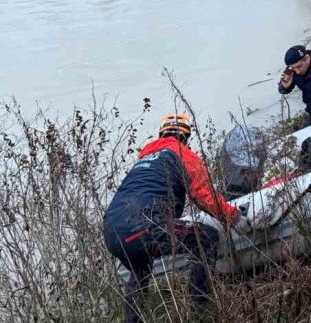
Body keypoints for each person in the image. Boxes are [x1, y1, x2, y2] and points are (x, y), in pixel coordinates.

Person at [103, 112, 250, 323]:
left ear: (161, 134)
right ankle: (200, 307)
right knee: (206, 238)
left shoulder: (143, 161)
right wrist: (234, 218)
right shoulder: (183, 153)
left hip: (111, 231)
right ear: (186, 137)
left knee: (140, 270)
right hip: (144, 226)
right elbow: (203, 196)